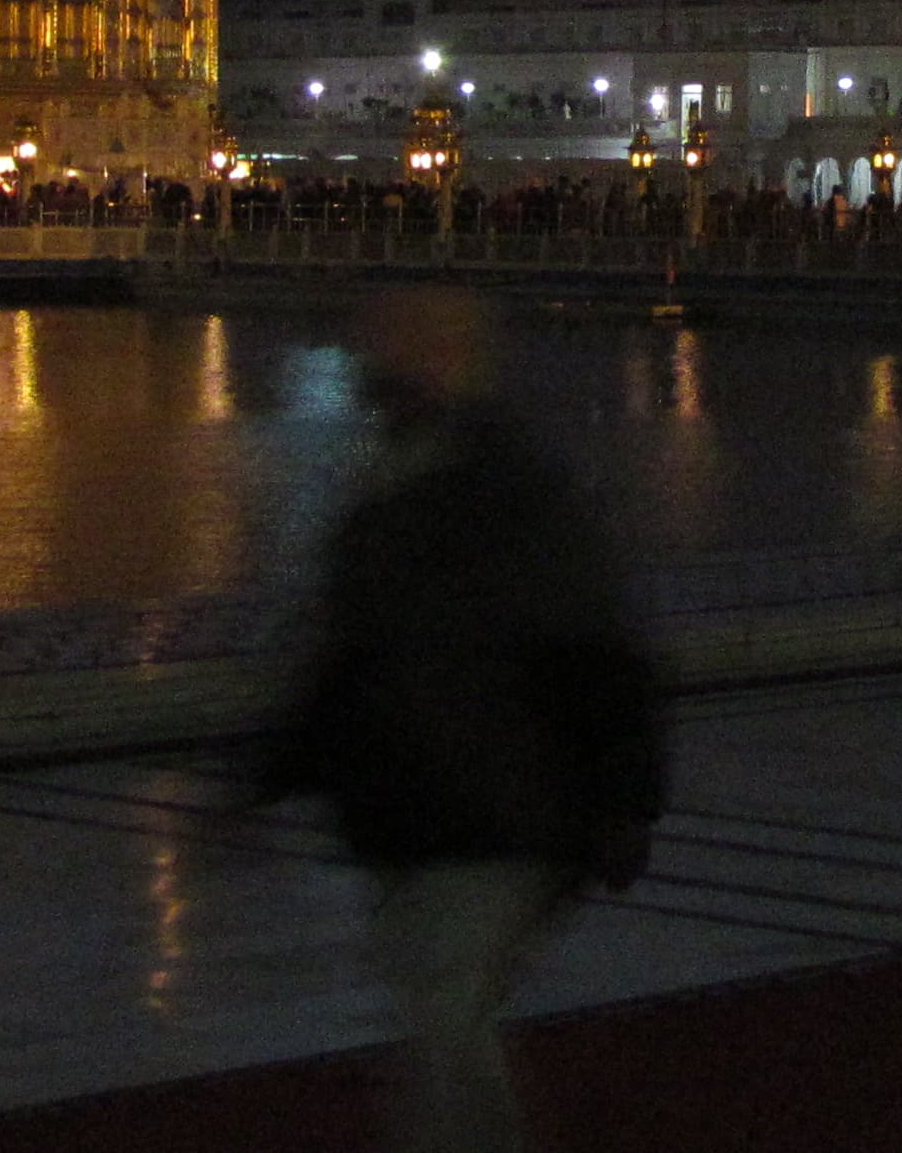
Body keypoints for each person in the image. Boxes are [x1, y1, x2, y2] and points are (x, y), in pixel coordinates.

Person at [259, 287, 668, 1152]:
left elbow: (592, 650)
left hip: (502, 807)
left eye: (392, 355)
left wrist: (625, 799)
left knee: (445, 1017)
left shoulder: (499, 491)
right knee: (442, 1019)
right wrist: (267, 771)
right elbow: (354, 658)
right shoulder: (393, 489)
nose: (376, 372)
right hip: (430, 810)